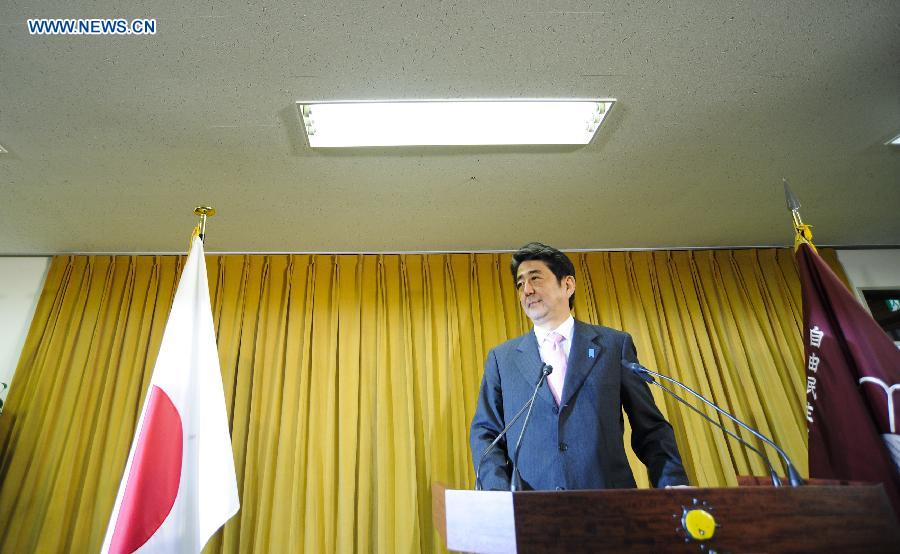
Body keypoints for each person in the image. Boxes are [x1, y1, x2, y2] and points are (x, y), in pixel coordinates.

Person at [470, 242, 689, 491]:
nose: (526, 290)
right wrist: (497, 494)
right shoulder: (503, 359)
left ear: (568, 284)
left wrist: (673, 484)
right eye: (520, 284)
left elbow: (650, 428)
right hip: (530, 511)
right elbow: (486, 433)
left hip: (609, 505)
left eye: (536, 279)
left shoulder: (614, 345)